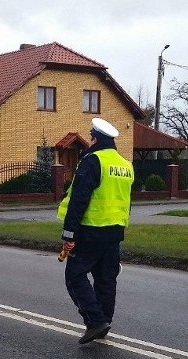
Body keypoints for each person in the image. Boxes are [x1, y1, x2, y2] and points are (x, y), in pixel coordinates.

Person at [57, 117, 134, 344]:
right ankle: (104, 322)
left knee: (74, 276)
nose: (88, 143)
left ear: (94, 138)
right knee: (106, 279)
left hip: (90, 231)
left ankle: (95, 321)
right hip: (115, 232)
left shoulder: (92, 161)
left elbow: (79, 200)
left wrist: (69, 234)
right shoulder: (125, 165)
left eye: (90, 139)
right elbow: (126, 201)